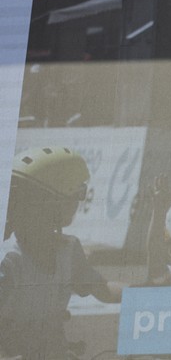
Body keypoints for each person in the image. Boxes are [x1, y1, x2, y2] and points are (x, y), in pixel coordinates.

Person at [0, 147, 124, 359]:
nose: (77, 202)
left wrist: (148, 295)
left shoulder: (68, 249)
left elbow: (102, 289)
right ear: (54, 202)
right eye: (76, 195)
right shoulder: (9, 260)